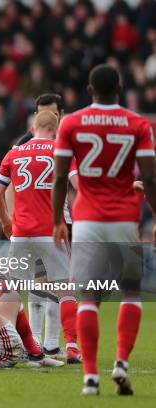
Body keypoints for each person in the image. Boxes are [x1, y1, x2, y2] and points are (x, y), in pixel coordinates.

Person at [52, 64, 156, 396]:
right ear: (121, 87)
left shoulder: (71, 122)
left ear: (89, 89)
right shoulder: (138, 123)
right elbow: (151, 177)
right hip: (124, 217)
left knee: (88, 298)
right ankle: (122, 361)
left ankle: (91, 377)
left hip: (86, 219)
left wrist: (57, 221)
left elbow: (59, 178)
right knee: (130, 292)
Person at [0, 110, 81, 365]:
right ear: (56, 129)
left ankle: (2, 344)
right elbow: (78, 186)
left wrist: (6, 222)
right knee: (65, 289)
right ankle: (72, 346)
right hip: (50, 232)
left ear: (33, 127)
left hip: (20, 234)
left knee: (11, 289)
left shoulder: (14, 153)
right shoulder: (61, 151)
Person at [10, 94, 70, 359]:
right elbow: (11, 184)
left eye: (52, 111)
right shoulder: (35, 145)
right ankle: (42, 343)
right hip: (42, 223)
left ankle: (54, 342)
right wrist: (13, 216)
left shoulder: (64, 141)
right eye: (43, 111)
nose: (47, 115)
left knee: (56, 284)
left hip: (60, 220)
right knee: (44, 282)